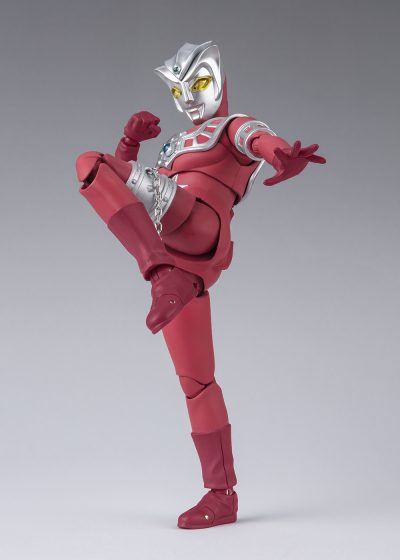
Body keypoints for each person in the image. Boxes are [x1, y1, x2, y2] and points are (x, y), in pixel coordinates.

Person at [76, 41, 326, 529]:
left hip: (197, 224)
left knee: (88, 161)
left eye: (200, 84)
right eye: (178, 91)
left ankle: (157, 273)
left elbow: (258, 140)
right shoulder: (174, 144)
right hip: (179, 258)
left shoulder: (231, 127)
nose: (189, 99)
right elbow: (124, 186)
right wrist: (129, 144)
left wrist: (282, 155)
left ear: (220, 79)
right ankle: (221, 495)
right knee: (197, 383)